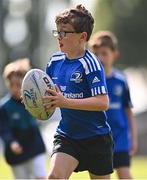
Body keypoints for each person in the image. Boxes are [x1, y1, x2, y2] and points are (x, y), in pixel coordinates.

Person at [43, 5, 113, 179]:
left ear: (82, 36)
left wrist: (65, 101)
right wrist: (33, 98)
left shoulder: (91, 64)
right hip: (67, 136)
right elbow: (48, 95)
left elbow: (102, 102)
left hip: (97, 138)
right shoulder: (54, 62)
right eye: (57, 32)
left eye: (65, 32)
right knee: (54, 177)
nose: (59, 37)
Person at [88, 31, 137, 179]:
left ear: (114, 54)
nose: (100, 58)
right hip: (100, 139)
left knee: (125, 175)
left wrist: (133, 138)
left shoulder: (121, 81)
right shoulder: (91, 81)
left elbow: (128, 110)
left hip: (120, 139)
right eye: (96, 54)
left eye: (104, 53)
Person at [0, 58, 47, 179]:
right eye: (11, 85)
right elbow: (4, 130)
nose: (15, 88)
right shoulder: (4, 107)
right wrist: (11, 142)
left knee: (41, 176)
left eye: (18, 85)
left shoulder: (34, 102)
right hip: (16, 150)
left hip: (34, 144)